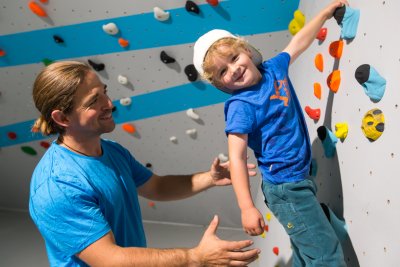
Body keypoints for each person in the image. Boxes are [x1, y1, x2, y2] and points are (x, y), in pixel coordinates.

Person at [29, 60, 261, 266]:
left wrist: (210, 178)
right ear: (62, 118)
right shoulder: (57, 187)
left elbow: (156, 186)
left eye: (104, 92)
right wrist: (195, 257)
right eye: (93, 101)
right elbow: (110, 259)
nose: (109, 104)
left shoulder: (111, 150)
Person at [192, 1, 349, 266]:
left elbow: (298, 43)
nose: (234, 69)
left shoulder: (273, 70)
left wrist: (323, 15)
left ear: (246, 51)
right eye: (223, 72)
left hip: (298, 178)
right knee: (326, 254)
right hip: (285, 189)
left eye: (234, 58)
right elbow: (238, 157)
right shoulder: (240, 106)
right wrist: (246, 207)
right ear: (220, 84)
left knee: (307, 249)